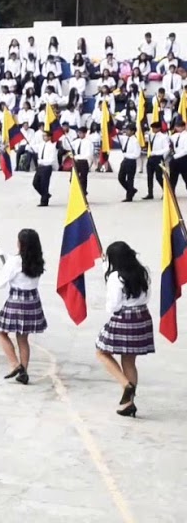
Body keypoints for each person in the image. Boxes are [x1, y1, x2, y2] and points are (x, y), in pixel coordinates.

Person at [94, 241, 154, 418]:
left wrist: (108, 273)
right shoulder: (144, 271)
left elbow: (113, 305)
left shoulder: (115, 277)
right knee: (129, 361)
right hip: (142, 316)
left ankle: (126, 385)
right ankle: (129, 403)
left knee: (101, 352)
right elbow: (147, 295)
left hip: (124, 317)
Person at [0, 228, 48, 385]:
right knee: (23, 338)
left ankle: (15, 364)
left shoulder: (15, 261)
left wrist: (4, 266)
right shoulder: (38, 260)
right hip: (32, 300)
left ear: (20, 244)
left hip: (17, 300)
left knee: (1, 332)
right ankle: (24, 370)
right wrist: (6, 258)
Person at [31, 128, 57, 207]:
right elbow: (34, 148)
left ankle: (44, 201)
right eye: (43, 136)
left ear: (49, 137)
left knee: (44, 184)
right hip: (40, 167)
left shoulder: (52, 146)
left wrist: (41, 161)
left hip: (46, 167)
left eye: (45, 136)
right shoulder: (41, 144)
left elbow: (52, 160)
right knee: (35, 183)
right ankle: (45, 195)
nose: (43, 137)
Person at [116, 123, 141, 202]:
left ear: (133, 131)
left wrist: (127, 155)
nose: (126, 131)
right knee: (121, 177)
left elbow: (136, 154)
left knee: (130, 179)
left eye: (128, 130)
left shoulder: (135, 141)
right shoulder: (125, 138)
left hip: (131, 161)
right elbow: (115, 137)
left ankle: (129, 196)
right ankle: (131, 190)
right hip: (125, 160)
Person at [146, 122, 170, 200]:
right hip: (151, 157)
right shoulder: (151, 135)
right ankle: (150, 193)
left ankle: (166, 192)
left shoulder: (163, 137)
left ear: (159, 128)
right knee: (149, 176)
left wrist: (160, 155)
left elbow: (166, 148)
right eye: (152, 128)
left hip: (158, 157)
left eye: (154, 128)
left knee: (159, 176)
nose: (153, 129)